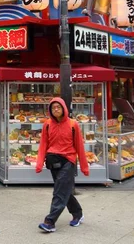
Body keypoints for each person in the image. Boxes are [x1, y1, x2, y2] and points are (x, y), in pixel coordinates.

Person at [35, 97, 89, 233]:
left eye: (58, 107)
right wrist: (39, 163)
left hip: (68, 161)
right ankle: (78, 214)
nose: (56, 110)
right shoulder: (47, 124)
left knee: (59, 191)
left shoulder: (73, 124)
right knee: (64, 190)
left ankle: (50, 221)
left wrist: (84, 166)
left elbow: (80, 146)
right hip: (53, 161)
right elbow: (43, 145)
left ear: (64, 108)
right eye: (53, 108)